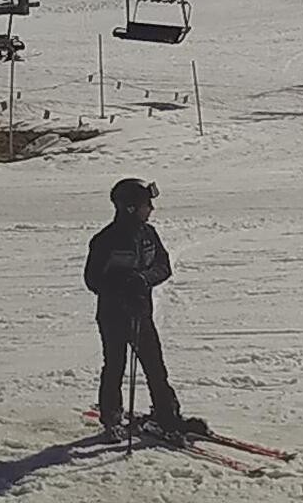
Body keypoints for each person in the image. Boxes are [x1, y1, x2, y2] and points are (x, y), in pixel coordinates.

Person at [85, 178, 203, 438]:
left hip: (141, 313)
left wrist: (143, 279)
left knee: (155, 366)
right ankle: (111, 418)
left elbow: (163, 266)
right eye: (146, 205)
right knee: (115, 365)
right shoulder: (105, 240)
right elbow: (92, 279)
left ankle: (166, 415)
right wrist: (120, 286)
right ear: (130, 208)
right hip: (113, 315)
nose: (151, 209)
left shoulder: (148, 234)